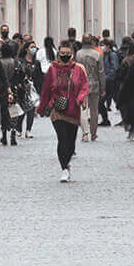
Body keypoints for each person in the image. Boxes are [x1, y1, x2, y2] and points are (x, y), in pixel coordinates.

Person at [39, 43, 89, 181]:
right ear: (58, 53)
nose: (65, 56)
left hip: (73, 109)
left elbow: (85, 86)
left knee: (71, 141)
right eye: (63, 53)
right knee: (62, 138)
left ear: (72, 54)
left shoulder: (79, 69)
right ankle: (64, 168)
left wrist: (80, 98)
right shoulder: (52, 70)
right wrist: (42, 107)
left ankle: (67, 161)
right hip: (57, 109)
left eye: (68, 53)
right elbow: (46, 89)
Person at [75, 36, 106, 142]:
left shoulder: (78, 54)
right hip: (95, 84)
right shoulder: (97, 54)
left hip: (81, 85)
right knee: (94, 110)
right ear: (92, 43)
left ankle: (85, 132)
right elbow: (101, 72)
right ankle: (94, 133)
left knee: (83, 109)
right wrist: (103, 88)